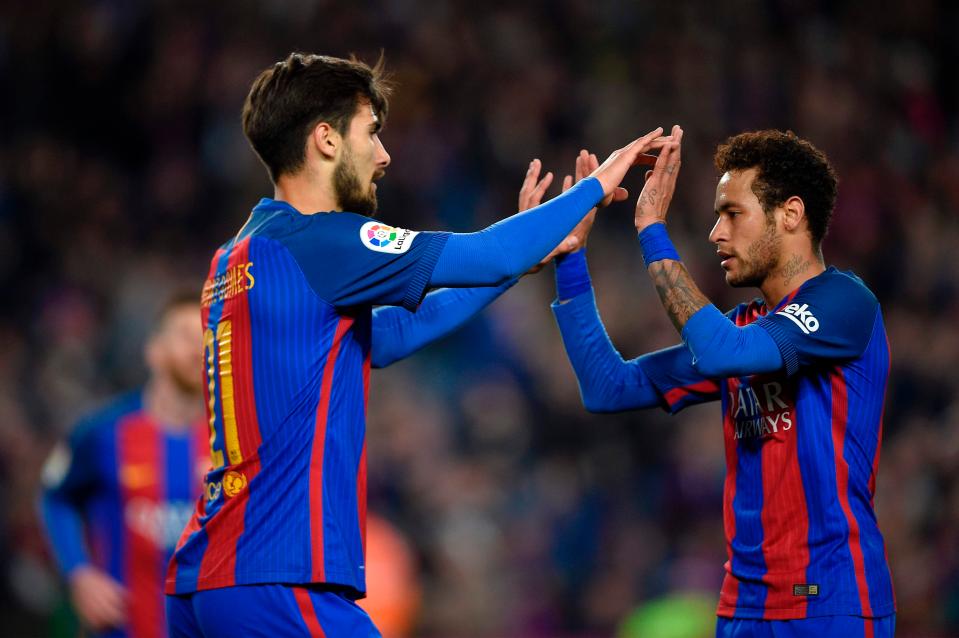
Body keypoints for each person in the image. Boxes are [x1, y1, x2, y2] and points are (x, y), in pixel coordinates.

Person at [164, 51, 671, 637]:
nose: (384, 156)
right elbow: (487, 252)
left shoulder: (238, 257)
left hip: (205, 578)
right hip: (276, 577)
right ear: (326, 139)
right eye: (372, 133)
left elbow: (393, 333)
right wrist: (599, 184)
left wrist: (524, 258)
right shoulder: (322, 241)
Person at [546, 128, 895, 637]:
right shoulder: (741, 330)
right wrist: (570, 258)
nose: (715, 232)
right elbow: (608, 387)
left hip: (829, 603)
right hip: (743, 610)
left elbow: (719, 352)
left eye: (732, 213)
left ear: (791, 214)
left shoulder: (844, 303)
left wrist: (651, 229)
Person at [39, 293, 208, 638]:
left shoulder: (234, 440)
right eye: (184, 335)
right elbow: (55, 497)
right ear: (154, 350)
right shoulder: (103, 432)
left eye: (206, 335)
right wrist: (80, 574)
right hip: (120, 629)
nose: (197, 347)